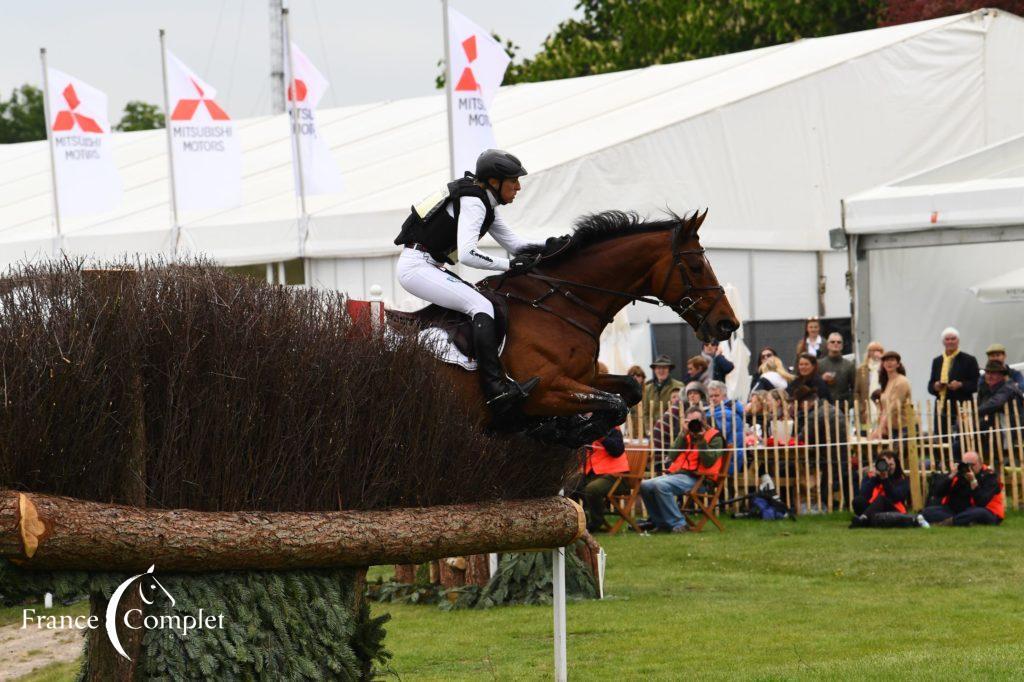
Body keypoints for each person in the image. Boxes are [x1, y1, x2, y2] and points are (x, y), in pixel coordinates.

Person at [394, 149, 546, 414]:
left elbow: (515, 244)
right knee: (482, 306)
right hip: (416, 267)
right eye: (514, 180)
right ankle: (495, 388)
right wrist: (508, 265)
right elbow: (467, 254)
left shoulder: (486, 202)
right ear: (494, 182)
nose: (519, 186)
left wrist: (556, 244)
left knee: (482, 301)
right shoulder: (475, 202)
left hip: (428, 265)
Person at [639, 407, 727, 532]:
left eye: (696, 421)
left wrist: (701, 441)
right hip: (680, 475)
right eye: (689, 421)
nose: (693, 424)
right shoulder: (686, 435)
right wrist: (682, 434)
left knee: (660, 485)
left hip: (701, 479)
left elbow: (709, 462)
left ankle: (678, 524)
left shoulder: (715, 437)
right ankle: (661, 523)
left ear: (704, 421)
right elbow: (671, 456)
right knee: (644, 485)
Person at [921, 451, 1004, 526]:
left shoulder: (990, 476)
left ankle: (950, 522)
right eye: (966, 465)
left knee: (978, 513)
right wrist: (950, 476)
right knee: (928, 511)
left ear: (980, 463)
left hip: (987, 511)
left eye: (972, 465)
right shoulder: (960, 473)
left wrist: (973, 482)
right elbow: (938, 493)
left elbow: (982, 502)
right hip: (959, 511)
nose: (969, 468)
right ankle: (963, 521)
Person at [573, 426, 627, 533]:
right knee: (570, 486)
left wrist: (602, 437)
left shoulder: (613, 428)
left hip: (615, 476)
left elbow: (617, 450)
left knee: (592, 489)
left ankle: (595, 523)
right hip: (593, 473)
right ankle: (576, 522)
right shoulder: (588, 427)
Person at [927, 327, 979, 432]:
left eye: (953, 338)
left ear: (958, 341)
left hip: (962, 406)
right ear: (943, 342)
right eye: (947, 339)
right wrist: (936, 386)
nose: (950, 341)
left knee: (964, 438)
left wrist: (961, 385)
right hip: (942, 407)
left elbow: (977, 384)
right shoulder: (937, 361)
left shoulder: (969, 360)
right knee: (943, 439)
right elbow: (930, 385)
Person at [851, 450, 910, 519]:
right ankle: (869, 519)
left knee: (881, 498)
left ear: (896, 465)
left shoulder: (902, 479)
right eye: (885, 464)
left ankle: (864, 519)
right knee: (858, 501)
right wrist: (874, 479)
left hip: (893, 509)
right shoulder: (872, 477)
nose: (888, 467)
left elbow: (895, 497)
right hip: (873, 508)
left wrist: (885, 479)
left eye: (891, 464)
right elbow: (863, 494)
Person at [870, 351, 914, 440]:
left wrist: (880, 429)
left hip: (904, 428)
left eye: (892, 360)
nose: (889, 363)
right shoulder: (887, 382)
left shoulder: (902, 381)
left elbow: (892, 407)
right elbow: (884, 408)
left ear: (898, 364)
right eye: (886, 360)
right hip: (892, 428)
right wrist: (881, 427)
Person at [706, 380, 744, 474]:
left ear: (724, 395)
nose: (713, 398)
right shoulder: (718, 410)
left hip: (727, 460)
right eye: (711, 396)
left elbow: (715, 437)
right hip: (727, 457)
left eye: (716, 395)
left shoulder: (725, 414)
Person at [642, 355, 685, 429]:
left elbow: (682, 409)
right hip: (654, 430)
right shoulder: (648, 389)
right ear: (655, 370)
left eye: (664, 368)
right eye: (658, 368)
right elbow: (645, 413)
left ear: (669, 369)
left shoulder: (679, 386)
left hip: (672, 429)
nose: (661, 371)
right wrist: (649, 429)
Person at [817, 333, 855, 404]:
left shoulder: (849, 365)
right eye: (832, 342)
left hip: (843, 406)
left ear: (842, 346)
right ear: (827, 345)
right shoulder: (819, 364)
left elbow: (854, 388)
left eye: (839, 342)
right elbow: (813, 386)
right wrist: (822, 379)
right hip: (823, 405)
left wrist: (849, 403)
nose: (836, 344)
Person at [854, 341, 884, 431]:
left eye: (878, 350)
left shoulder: (885, 367)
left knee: (881, 429)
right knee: (866, 431)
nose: (875, 352)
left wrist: (882, 360)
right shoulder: (862, 369)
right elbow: (857, 391)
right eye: (872, 350)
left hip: (882, 406)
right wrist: (860, 407)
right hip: (866, 408)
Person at [625, 365, 647, 438]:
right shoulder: (624, 394)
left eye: (638, 375)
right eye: (632, 375)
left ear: (642, 378)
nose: (635, 377)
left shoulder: (647, 393)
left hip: (645, 433)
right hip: (629, 433)